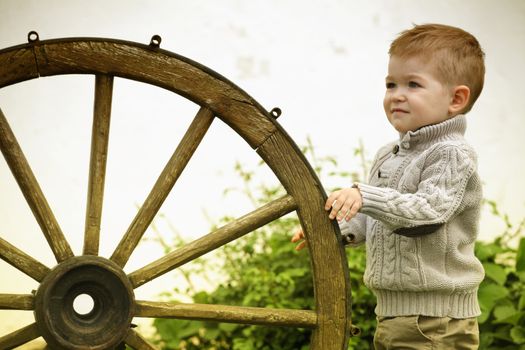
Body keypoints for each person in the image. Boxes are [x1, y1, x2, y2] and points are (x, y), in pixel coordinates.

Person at [292, 23, 485, 349]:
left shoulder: (451, 153)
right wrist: (338, 226)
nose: (396, 94)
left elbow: (427, 212)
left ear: (456, 98)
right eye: (390, 84)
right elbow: (380, 216)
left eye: (413, 84)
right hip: (394, 314)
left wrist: (364, 195)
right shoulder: (389, 155)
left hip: (436, 321)